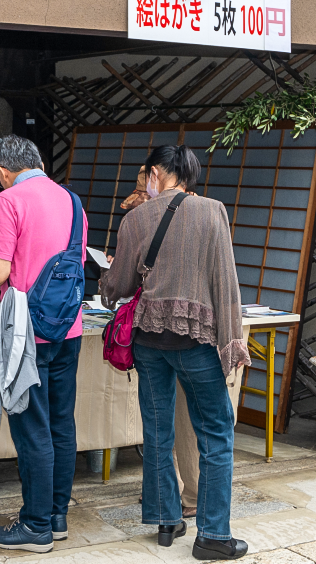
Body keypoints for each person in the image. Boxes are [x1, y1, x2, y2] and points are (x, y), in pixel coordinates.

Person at [101, 145, 249, 560]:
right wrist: (231, 340)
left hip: (148, 341)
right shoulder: (212, 211)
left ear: (155, 172)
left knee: (157, 430)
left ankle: (167, 521)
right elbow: (225, 279)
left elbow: (120, 285)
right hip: (196, 342)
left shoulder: (135, 218)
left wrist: (108, 275)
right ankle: (214, 536)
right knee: (216, 434)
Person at [0, 134, 87, 553]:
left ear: (3, 172)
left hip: (26, 334)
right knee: (61, 423)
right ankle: (57, 517)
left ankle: (36, 525)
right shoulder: (72, 201)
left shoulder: (8, 201)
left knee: (31, 428)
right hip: (68, 329)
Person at [120, 165, 200, 520]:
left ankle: (166, 504)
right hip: (194, 328)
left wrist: (118, 273)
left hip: (158, 331)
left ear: (156, 178)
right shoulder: (204, 210)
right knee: (185, 420)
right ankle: (187, 497)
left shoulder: (151, 216)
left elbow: (132, 275)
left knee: (161, 422)